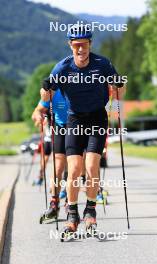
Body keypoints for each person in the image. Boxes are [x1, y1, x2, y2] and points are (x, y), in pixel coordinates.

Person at [41, 24, 126, 233]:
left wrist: (119, 84)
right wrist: (46, 89)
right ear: (70, 45)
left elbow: (119, 95)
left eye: (84, 45)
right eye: (77, 45)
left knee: (91, 166)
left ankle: (90, 210)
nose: (81, 49)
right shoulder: (62, 68)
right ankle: (72, 213)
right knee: (75, 169)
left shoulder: (103, 64)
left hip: (97, 118)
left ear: (90, 44)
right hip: (74, 120)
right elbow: (45, 99)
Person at [32, 89, 68, 220]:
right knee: (57, 165)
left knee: (74, 166)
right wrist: (38, 117)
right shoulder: (53, 91)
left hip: (78, 127)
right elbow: (36, 111)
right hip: (57, 129)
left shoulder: (81, 83)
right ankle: (54, 203)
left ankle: (70, 202)